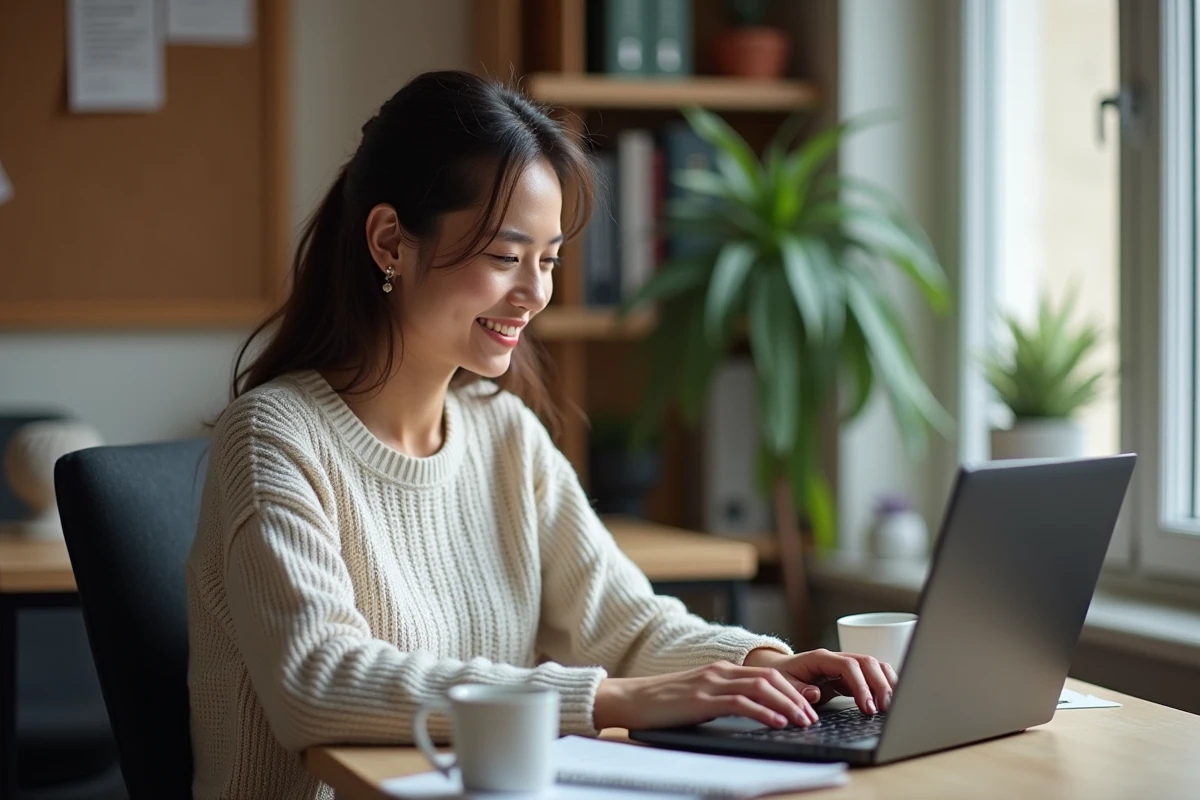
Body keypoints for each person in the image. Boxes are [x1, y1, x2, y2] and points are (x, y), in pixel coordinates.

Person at [185, 69, 897, 800]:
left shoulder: (505, 434)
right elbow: (318, 680)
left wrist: (760, 663)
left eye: (548, 260)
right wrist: (606, 701)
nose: (535, 294)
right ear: (390, 240)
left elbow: (624, 625)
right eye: (504, 257)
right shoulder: (273, 438)